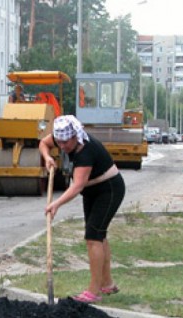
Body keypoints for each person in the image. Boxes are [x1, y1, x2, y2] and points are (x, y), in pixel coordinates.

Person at [38, 115, 125, 303]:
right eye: (58, 142)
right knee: (98, 236)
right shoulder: (62, 138)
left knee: (93, 237)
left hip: (108, 189)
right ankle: (107, 283)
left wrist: (56, 204)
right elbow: (43, 144)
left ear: (74, 137)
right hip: (92, 191)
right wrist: (47, 158)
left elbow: (77, 186)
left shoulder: (86, 151)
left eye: (65, 143)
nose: (61, 147)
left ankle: (93, 291)